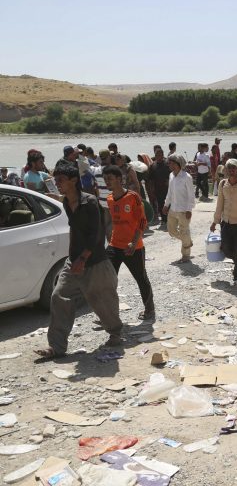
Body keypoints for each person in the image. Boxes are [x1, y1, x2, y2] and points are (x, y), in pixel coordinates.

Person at [34, 163, 123, 360]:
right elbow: (75, 229)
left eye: (61, 180)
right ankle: (56, 347)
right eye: (56, 180)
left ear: (74, 181)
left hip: (95, 262)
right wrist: (74, 257)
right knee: (59, 296)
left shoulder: (89, 203)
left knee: (102, 301)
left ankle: (115, 333)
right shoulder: (67, 202)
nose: (57, 184)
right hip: (73, 261)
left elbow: (96, 234)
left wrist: (83, 258)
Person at [103, 165, 155, 321]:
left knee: (141, 279)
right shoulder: (109, 199)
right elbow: (113, 221)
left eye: (110, 179)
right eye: (105, 179)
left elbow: (142, 221)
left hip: (133, 248)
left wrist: (133, 242)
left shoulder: (132, 197)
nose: (107, 182)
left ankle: (149, 309)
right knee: (107, 280)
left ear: (119, 179)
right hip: (114, 246)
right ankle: (108, 314)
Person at [163, 154, 195, 262]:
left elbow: (191, 195)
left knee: (184, 231)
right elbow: (170, 192)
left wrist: (189, 209)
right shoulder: (171, 175)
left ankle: (185, 255)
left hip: (183, 210)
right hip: (173, 209)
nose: (169, 165)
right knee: (171, 231)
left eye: (172, 163)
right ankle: (188, 242)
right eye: (169, 163)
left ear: (178, 164)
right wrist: (166, 205)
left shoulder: (187, 177)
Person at [148, 149, 171, 228]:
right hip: (157, 188)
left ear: (163, 155)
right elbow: (150, 179)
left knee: (169, 204)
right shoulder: (152, 166)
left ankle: (170, 219)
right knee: (160, 204)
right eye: (157, 155)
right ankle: (164, 220)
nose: (158, 157)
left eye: (160, 155)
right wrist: (151, 189)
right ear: (155, 155)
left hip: (168, 188)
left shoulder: (167, 164)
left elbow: (172, 175)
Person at [93, 149, 113, 241]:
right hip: (113, 201)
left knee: (106, 224)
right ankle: (112, 244)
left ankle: (109, 244)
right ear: (108, 157)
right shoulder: (112, 170)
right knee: (113, 224)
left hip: (102, 201)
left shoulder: (96, 170)